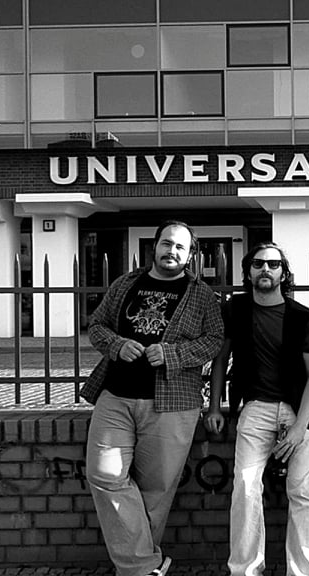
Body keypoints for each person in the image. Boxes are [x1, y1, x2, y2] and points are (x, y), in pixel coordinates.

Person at [82, 220, 224, 576]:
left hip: (173, 403)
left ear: (190, 255)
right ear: (155, 246)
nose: (172, 251)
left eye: (180, 247)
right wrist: (116, 344)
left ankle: (138, 569)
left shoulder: (202, 295)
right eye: (166, 243)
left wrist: (173, 354)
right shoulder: (125, 284)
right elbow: (96, 325)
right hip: (116, 396)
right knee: (104, 474)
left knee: (156, 491)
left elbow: (214, 341)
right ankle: (146, 565)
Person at [205, 242, 309, 576]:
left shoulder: (300, 315)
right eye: (258, 263)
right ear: (248, 271)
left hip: (301, 410)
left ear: (283, 274)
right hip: (256, 407)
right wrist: (215, 407)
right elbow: (221, 360)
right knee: (245, 486)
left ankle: (303, 572)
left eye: (274, 265)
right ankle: (245, 570)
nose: (265, 269)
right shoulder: (235, 309)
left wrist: (300, 427)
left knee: (302, 491)